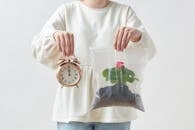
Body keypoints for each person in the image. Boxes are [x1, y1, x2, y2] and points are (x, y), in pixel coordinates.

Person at [31, 0, 157, 130]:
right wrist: (54, 36)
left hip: (114, 110)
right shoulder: (67, 11)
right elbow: (38, 48)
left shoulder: (124, 12)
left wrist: (137, 36)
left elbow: (149, 51)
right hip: (73, 107)